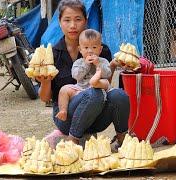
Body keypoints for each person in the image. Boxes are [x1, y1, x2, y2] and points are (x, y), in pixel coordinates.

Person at [36, 0, 130, 149]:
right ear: (59, 22)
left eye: (78, 19)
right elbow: (45, 98)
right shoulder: (52, 55)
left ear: (86, 21)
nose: (73, 25)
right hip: (67, 116)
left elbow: (106, 83)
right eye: (67, 20)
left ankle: (122, 140)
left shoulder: (101, 50)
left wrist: (111, 65)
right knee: (95, 94)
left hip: (97, 115)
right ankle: (72, 141)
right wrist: (45, 81)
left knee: (119, 95)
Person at [55, 29, 112, 121]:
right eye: (86, 48)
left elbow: (108, 74)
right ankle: (63, 110)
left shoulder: (103, 61)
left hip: (99, 89)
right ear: (80, 49)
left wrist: (98, 64)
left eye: (94, 47)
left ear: (100, 49)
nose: (90, 51)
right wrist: (86, 65)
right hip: (81, 88)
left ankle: (94, 83)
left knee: (105, 82)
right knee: (64, 89)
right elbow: (76, 76)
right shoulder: (79, 62)